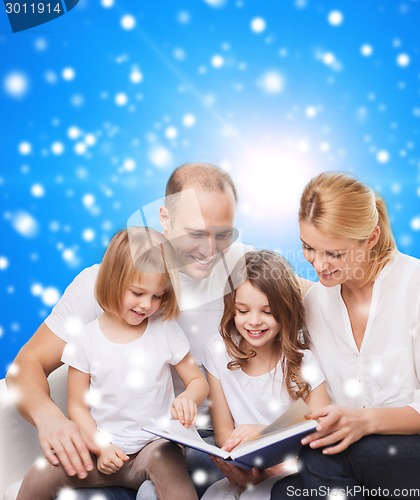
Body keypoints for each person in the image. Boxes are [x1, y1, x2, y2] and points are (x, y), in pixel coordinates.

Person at [6, 162, 249, 498]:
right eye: (196, 233)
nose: (210, 250)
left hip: (192, 442)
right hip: (109, 444)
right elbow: (27, 364)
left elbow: (309, 290)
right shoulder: (103, 284)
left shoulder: (243, 270)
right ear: (165, 218)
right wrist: (51, 418)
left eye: (223, 234)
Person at [271, 172, 420, 499]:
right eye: (308, 248)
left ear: (371, 237)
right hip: (383, 447)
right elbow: (315, 395)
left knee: (319, 462)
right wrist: (261, 441)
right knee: (287, 492)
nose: (319, 265)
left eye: (334, 253)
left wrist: (363, 422)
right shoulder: (317, 303)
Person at [17, 227, 209, 499]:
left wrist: (189, 397)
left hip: (153, 448)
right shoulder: (85, 339)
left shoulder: (165, 329)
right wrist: (100, 446)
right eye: (138, 292)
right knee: (41, 474)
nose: (147, 305)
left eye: (157, 296)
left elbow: (197, 381)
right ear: (113, 281)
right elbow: (77, 406)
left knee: (167, 460)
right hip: (103, 452)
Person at [202, 250, 331, 500]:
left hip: (292, 471)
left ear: (284, 312)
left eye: (267, 312)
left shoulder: (304, 363)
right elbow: (223, 433)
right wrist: (245, 465)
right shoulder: (218, 350)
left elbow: (322, 434)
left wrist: (263, 436)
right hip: (245, 467)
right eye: (242, 310)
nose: (254, 322)